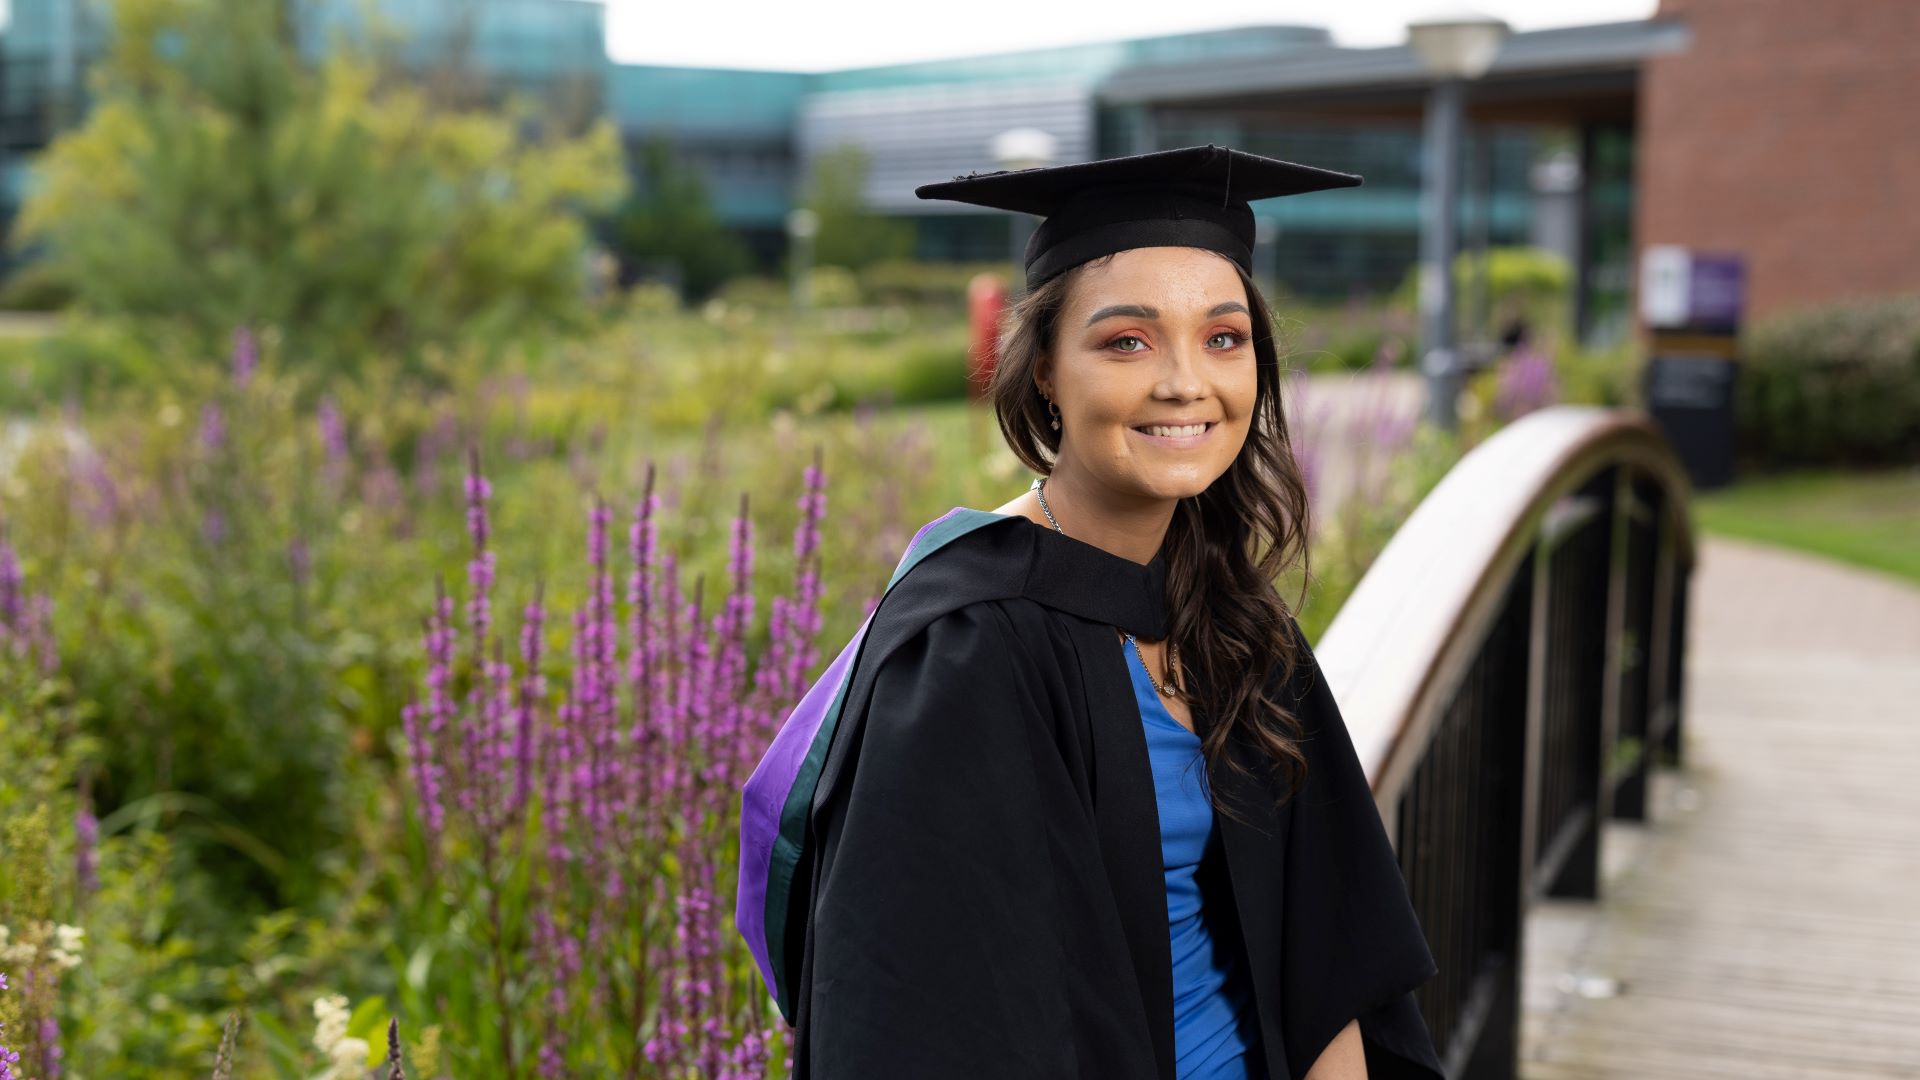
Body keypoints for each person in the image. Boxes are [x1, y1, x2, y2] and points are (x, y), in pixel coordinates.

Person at [737, 144, 1444, 1080]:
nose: (1186, 382)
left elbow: (1327, 965)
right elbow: (923, 1018)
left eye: (1223, 338)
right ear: (1042, 374)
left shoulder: (1234, 614)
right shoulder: (968, 649)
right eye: (1127, 341)